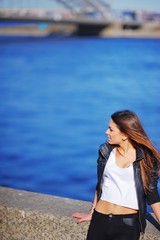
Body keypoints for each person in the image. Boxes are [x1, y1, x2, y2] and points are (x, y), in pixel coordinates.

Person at [72, 110, 160, 240]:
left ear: (125, 134)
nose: (106, 132)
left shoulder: (146, 158)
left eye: (111, 129)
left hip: (127, 224)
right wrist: (92, 212)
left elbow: (152, 194)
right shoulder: (105, 151)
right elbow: (100, 183)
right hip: (99, 219)